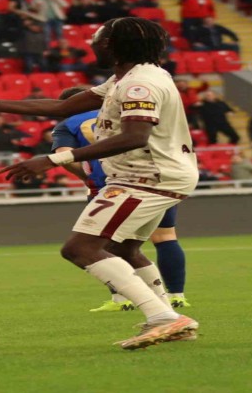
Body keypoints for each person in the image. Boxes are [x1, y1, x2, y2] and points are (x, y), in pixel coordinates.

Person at [0, 17, 200, 349]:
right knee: (123, 249)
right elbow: (63, 107)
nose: (91, 45)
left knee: (79, 249)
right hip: (153, 174)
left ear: (113, 45)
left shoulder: (139, 85)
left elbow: (135, 136)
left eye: (97, 40)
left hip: (145, 177)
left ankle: (164, 318)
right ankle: (166, 318)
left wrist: (54, 159)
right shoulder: (129, 78)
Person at [51, 87, 191, 312]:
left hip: (114, 187)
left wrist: (87, 177)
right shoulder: (126, 114)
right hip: (160, 182)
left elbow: (63, 155)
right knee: (163, 237)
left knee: (97, 245)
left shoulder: (69, 123)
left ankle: (123, 300)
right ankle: (175, 297)